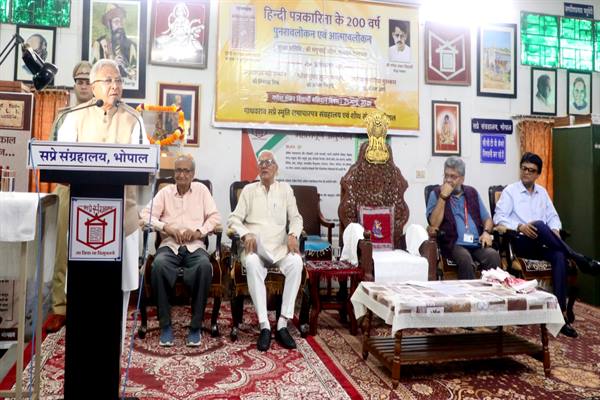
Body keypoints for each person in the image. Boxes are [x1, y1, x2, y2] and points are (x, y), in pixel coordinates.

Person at [56, 58, 148, 340]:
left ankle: (115, 347)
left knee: (120, 291)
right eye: (108, 80)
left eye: (118, 80)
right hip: (84, 220)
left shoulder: (133, 119)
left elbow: (145, 167)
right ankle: (81, 344)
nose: (115, 86)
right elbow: (60, 165)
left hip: (124, 221)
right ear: (94, 86)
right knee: (83, 288)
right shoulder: (74, 117)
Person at [493, 152, 600, 338]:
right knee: (540, 225)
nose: (526, 173)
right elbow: (499, 218)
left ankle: (559, 316)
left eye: (531, 170)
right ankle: (580, 260)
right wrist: (519, 226)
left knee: (559, 255)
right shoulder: (510, 191)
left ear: (538, 174)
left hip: (542, 244)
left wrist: (555, 230)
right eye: (524, 169)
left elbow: (553, 217)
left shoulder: (542, 193)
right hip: (521, 242)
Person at [140, 155, 220, 347]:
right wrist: (166, 228)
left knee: (204, 266)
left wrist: (199, 231)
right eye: (178, 170)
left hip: (195, 246)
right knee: (159, 265)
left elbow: (215, 217)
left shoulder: (201, 191)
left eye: (186, 171)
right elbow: (145, 215)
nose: (181, 175)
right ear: (174, 173)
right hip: (170, 245)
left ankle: (195, 327)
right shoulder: (165, 192)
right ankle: (165, 325)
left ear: (193, 173)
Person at [228, 150, 303, 352]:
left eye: (268, 162)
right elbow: (233, 219)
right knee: (252, 262)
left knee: (296, 262)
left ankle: (282, 323)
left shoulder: (285, 189)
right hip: (256, 249)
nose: (264, 166)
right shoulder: (249, 190)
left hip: (280, 248)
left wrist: (293, 234)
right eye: (261, 162)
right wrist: (245, 234)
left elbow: (296, 218)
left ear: (276, 167)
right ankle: (264, 326)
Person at [45, 61, 94, 333]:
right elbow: (51, 154)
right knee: (62, 250)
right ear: (74, 85)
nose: (83, 86)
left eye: (88, 81)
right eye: (79, 81)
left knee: (93, 249)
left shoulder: (104, 116)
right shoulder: (63, 116)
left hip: (96, 191)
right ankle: (60, 307)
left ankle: (88, 302)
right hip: (66, 188)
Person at [427, 156, 501, 279]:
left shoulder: (472, 192)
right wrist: (443, 197)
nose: (448, 180)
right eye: (446, 175)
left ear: (462, 179)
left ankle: (489, 290)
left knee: (493, 256)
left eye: (453, 176)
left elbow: (487, 219)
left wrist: (486, 232)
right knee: (465, 259)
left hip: (476, 243)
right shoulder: (435, 194)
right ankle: (469, 291)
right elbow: (434, 224)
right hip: (453, 244)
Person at [92, 3, 137, 81]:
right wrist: (112, 63)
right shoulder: (99, 44)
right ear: (109, 24)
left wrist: (125, 65)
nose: (120, 26)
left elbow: (135, 76)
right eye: (116, 22)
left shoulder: (131, 45)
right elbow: (94, 73)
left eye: (121, 22)